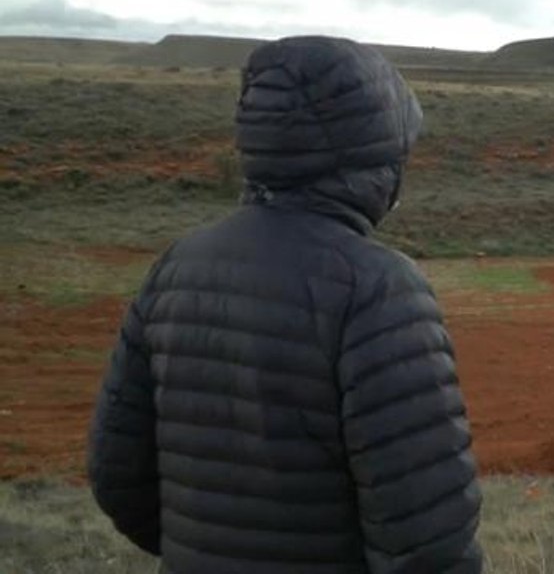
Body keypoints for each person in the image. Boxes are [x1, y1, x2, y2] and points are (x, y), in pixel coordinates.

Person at [88, 36, 483, 573]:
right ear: (376, 162)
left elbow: (116, 474)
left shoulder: (176, 266)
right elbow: (427, 538)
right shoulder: (377, 287)